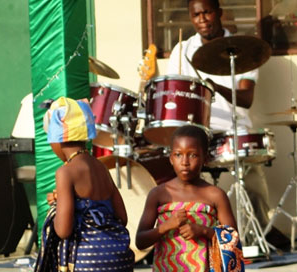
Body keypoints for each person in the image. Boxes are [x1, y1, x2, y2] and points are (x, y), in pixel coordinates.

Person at [165, 0, 276, 240]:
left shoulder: (242, 49)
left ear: (219, 13)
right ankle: (184, 234)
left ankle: (261, 234)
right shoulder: (182, 50)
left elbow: (246, 98)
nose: (202, 20)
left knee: (254, 184)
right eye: (196, 15)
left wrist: (215, 88)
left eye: (207, 13)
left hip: (232, 129)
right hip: (196, 131)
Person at [35, 97, 134, 272]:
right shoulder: (101, 167)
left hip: (88, 261)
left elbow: (64, 230)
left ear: (56, 138)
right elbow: (122, 218)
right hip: (118, 258)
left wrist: (57, 209)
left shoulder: (65, 172)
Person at [136, 125, 244, 272]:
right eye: (178, 154)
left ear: (205, 158)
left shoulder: (215, 195)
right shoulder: (158, 194)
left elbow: (233, 241)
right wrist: (166, 226)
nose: (185, 162)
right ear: (171, 158)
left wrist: (204, 231)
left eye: (192, 155)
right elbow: (140, 241)